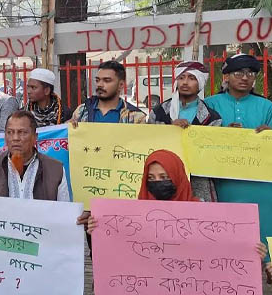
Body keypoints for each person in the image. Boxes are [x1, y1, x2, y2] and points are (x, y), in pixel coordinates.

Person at [86, 149, 268, 265]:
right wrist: (98, 231)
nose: (158, 182)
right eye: (151, 178)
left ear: (178, 177)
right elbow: (116, 255)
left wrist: (249, 253)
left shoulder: (204, 214)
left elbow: (222, 253)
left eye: (165, 177)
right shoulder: (131, 218)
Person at [0, 111, 87, 222]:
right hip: (3, 245)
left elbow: (64, 214)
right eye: (10, 132)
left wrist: (81, 220)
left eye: (22, 132)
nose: (15, 138)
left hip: (43, 245)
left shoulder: (55, 169)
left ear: (35, 137)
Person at [203, 54, 272, 275]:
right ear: (226, 77)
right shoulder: (210, 104)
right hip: (224, 181)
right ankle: (226, 271)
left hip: (261, 183)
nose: (245, 77)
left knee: (266, 224)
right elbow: (199, 137)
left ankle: (269, 267)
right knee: (226, 227)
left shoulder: (267, 106)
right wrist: (222, 133)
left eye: (250, 73)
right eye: (238, 73)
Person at [147, 61, 221, 201]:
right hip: (163, 183)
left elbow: (212, 154)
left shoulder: (212, 118)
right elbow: (149, 144)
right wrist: (170, 129)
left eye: (191, 78)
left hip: (197, 182)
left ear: (200, 83)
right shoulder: (158, 113)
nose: (185, 82)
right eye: (181, 78)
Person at [71, 61, 147, 124]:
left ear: (121, 85)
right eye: (97, 80)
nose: (100, 84)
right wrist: (69, 127)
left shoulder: (136, 117)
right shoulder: (82, 111)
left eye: (107, 80)